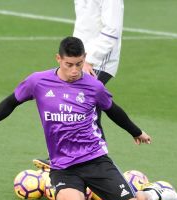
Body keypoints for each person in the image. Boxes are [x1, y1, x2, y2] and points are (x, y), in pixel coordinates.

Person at [0, 37, 177, 200]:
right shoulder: (38, 81)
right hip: (63, 166)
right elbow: (10, 102)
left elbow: (114, 111)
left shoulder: (93, 86)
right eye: (69, 64)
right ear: (58, 59)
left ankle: (155, 193)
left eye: (79, 63)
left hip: (95, 159)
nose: (75, 70)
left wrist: (136, 131)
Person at [33, 0, 124, 170]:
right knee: (84, 111)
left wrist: (89, 60)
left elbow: (112, 29)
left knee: (87, 112)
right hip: (81, 58)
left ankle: (99, 169)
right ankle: (76, 161)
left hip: (96, 60)